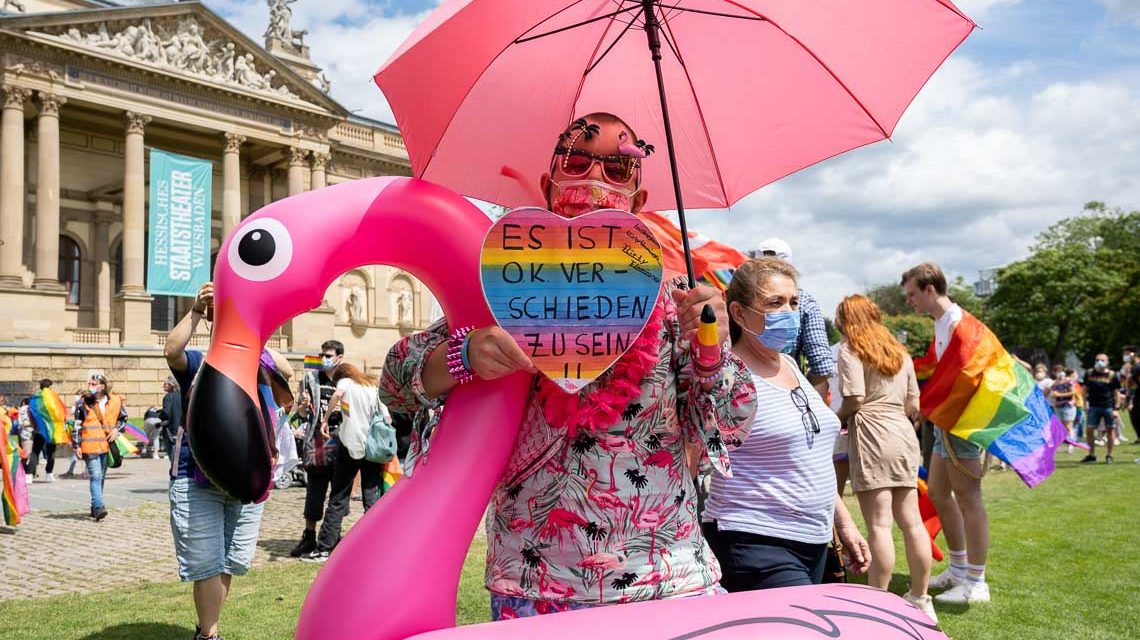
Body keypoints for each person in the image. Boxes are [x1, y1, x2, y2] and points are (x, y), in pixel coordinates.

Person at [380, 112, 758, 618]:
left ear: (639, 201)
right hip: (536, 585)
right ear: (548, 184)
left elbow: (730, 425)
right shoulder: (504, 290)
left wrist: (712, 344)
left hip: (669, 577)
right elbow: (395, 382)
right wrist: (464, 356)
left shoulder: (676, 307)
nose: (594, 180)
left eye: (617, 170)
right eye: (577, 162)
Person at [702, 258, 870, 594]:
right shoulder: (727, 376)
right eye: (775, 303)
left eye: (793, 302)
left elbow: (812, 459)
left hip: (813, 541)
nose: (789, 313)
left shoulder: (791, 364)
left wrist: (844, 523)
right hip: (754, 541)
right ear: (739, 313)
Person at [165, 281, 291, 640]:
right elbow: (171, 350)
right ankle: (210, 634)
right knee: (206, 563)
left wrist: (254, 328)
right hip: (197, 475)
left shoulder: (260, 360)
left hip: (249, 476)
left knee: (231, 560)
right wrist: (196, 312)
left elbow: (288, 371)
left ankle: (207, 629)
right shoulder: (199, 362)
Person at [833, 295, 935, 622]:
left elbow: (855, 398)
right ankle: (920, 598)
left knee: (879, 524)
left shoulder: (851, 350)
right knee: (911, 521)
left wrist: (835, 418)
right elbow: (913, 405)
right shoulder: (901, 353)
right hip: (903, 432)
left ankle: (878, 601)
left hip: (872, 431)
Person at [901, 262, 990, 605]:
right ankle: (959, 568)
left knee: (969, 497)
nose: (909, 301)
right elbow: (934, 367)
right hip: (946, 422)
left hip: (963, 422)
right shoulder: (942, 322)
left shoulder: (958, 323)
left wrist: (925, 407)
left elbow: (965, 375)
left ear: (929, 289)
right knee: (938, 491)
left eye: (912, 294)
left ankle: (977, 582)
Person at [300, 362, 386, 563]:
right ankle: (377, 542)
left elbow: (337, 395)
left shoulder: (346, 382)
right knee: (371, 497)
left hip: (350, 443)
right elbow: (387, 415)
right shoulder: (371, 387)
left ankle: (325, 548)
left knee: (339, 496)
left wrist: (325, 419)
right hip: (372, 446)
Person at [756, 238, 834, 397]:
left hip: (747, 394)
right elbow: (823, 366)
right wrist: (800, 392)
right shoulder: (805, 301)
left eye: (792, 303)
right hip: (790, 390)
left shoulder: (739, 300)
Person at [288, 340, 344, 559]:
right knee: (315, 491)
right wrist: (303, 406)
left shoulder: (345, 380)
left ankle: (332, 535)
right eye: (322, 355)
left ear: (340, 357)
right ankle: (309, 535)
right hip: (317, 442)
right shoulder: (311, 379)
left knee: (339, 493)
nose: (325, 359)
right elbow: (301, 414)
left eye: (329, 355)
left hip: (341, 441)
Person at [72, 372, 127, 520]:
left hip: (106, 445)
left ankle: (94, 506)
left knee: (101, 477)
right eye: (88, 384)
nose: (89, 386)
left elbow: (123, 419)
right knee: (95, 476)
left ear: (102, 386)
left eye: (93, 384)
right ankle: (99, 506)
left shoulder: (115, 400)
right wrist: (76, 445)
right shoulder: (83, 402)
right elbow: (77, 425)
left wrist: (117, 430)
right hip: (89, 446)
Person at [1080, 353, 1121, 464]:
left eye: (1102, 360)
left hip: (1108, 406)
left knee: (1110, 430)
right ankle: (1091, 454)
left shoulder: (1112, 375)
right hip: (1093, 406)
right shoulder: (1089, 373)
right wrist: (1084, 405)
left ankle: (1109, 455)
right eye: (1097, 359)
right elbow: (1084, 390)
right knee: (1089, 430)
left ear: (1107, 361)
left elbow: (1117, 393)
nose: (1100, 361)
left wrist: (1116, 408)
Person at [1049, 369, 1077, 452]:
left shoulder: (1069, 382)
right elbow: (1052, 393)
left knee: (1068, 426)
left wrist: (1059, 394)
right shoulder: (1055, 383)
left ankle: (1071, 445)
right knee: (1061, 426)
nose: (1060, 374)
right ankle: (1061, 443)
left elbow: (1073, 392)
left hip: (1068, 406)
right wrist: (1053, 395)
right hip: (1058, 406)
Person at [160, 376, 182, 459]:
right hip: (182, 428)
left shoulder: (168, 397)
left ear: (172, 385)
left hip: (171, 430)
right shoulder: (182, 396)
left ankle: (175, 472)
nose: (164, 386)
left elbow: (166, 413)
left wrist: (160, 415)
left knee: (173, 457)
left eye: (166, 384)